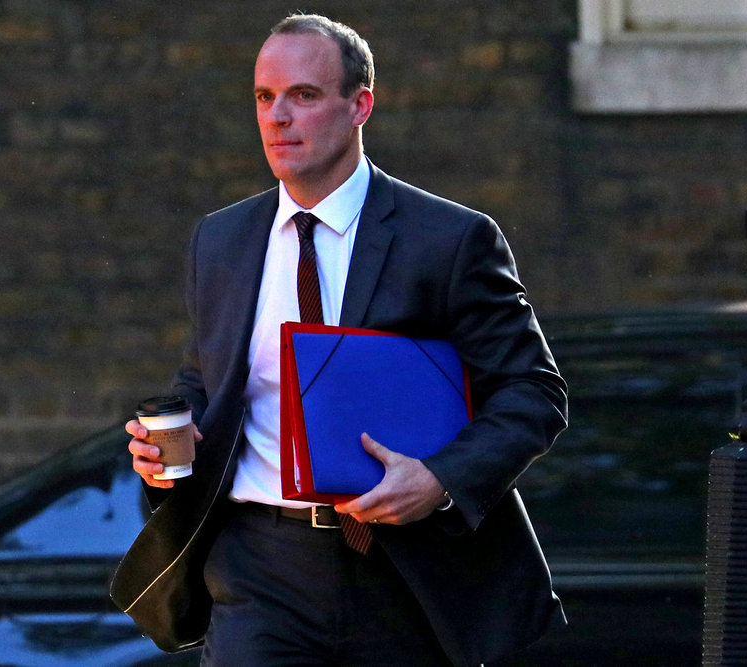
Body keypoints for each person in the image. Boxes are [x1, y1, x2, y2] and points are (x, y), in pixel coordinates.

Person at [116, 13, 568, 667]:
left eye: (303, 95)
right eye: (264, 97)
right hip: (259, 568)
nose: (278, 117)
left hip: (407, 570)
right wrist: (171, 445)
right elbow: (206, 379)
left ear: (360, 106)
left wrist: (439, 479)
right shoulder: (221, 240)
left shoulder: (448, 239)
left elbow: (533, 393)